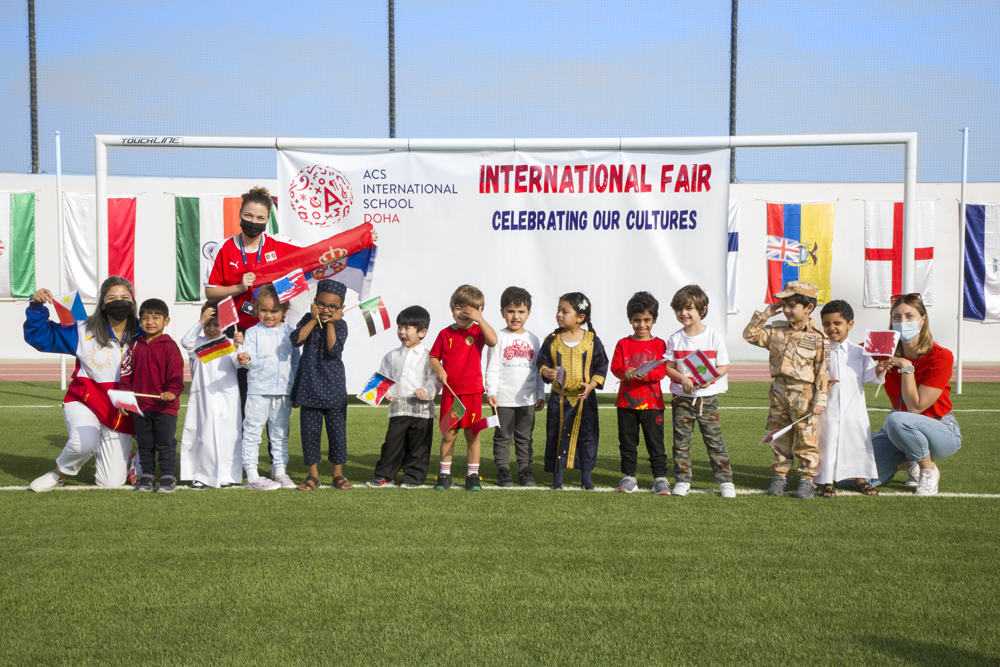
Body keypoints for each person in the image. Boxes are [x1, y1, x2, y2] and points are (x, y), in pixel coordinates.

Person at [24, 276, 141, 491]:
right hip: (85, 400)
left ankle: (136, 458)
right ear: (103, 304)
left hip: (120, 410)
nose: (119, 301)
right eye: (112, 297)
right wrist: (36, 306)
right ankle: (58, 474)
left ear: (133, 302)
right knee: (84, 443)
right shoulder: (83, 329)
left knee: (110, 483)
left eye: (125, 297)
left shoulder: (143, 333)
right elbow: (41, 338)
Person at [743, 281, 828, 500]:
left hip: (804, 393)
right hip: (779, 390)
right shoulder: (776, 330)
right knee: (778, 434)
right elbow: (750, 335)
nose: (787, 310)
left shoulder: (818, 337)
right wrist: (765, 314)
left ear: (808, 308)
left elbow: (822, 371)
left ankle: (807, 480)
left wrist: (820, 399)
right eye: (785, 305)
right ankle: (780, 476)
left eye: (792, 305)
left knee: (806, 437)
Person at [869, 294, 960, 496]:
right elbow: (841, 347)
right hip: (897, 433)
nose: (902, 322)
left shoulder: (940, 355)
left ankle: (928, 468)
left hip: (938, 429)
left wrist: (906, 366)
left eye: (909, 316)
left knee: (897, 419)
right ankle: (909, 464)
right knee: (854, 478)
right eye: (897, 317)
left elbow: (915, 408)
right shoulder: (884, 349)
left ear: (923, 320)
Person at [664, 285, 735, 498]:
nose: (683, 313)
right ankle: (683, 480)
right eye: (678, 309)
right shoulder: (675, 338)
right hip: (681, 399)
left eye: (689, 308)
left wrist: (709, 380)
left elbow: (723, 366)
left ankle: (725, 482)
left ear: (702, 310)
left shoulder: (713, 336)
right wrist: (683, 378)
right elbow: (668, 367)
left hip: (707, 400)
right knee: (681, 443)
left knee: (715, 442)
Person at [428, 285, 498, 491]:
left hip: (473, 393)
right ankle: (444, 474)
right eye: (459, 308)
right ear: (452, 308)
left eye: (469, 310)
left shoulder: (478, 330)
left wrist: (480, 319)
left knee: (472, 434)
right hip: (451, 394)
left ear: (479, 310)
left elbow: (493, 341)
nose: (463, 313)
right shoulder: (444, 333)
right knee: (449, 434)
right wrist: (439, 369)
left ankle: (473, 475)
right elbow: (433, 357)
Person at [536, 292, 609, 490]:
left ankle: (586, 478)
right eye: (558, 310)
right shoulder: (552, 340)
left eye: (564, 311)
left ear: (580, 317)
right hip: (558, 401)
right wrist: (547, 372)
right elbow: (541, 362)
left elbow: (601, 366)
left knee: (587, 437)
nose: (559, 314)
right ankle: (557, 478)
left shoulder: (593, 340)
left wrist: (592, 385)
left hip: (585, 400)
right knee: (556, 435)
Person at [366, 305, 439, 488]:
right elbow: (384, 379)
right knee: (392, 443)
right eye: (400, 327)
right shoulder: (391, 356)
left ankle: (412, 477)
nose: (402, 332)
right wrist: (388, 393)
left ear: (422, 332)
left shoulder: (430, 356)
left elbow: (434, 379)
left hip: (421, 409)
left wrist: (426, 390)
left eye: (408, 328)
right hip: (399, 408)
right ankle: (385, 475)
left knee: (419, 445)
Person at [237, 284, 300, 490]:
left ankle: (279, 470)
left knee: (280, 433)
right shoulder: (253, 332)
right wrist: (246, 359)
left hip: (283, 392)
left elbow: (296, 363)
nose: (269, 315)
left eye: (274, 311)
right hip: (258, 391)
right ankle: (252, 474)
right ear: (256, 310)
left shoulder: (291, 333)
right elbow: (251, 362)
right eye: (263, 310)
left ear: (284, 311)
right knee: (252, 431)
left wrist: (295, 389)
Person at [118, 299, 186, 493]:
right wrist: (124, 396)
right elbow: (126, 374)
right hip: (141, 406)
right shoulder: (134, 346)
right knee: (145, 444)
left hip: (165, 408)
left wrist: (171, 392)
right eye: (145, 318)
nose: (150, 322)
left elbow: (176, 376)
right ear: (140, 321)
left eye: (156, 318)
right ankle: (146, 475)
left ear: (166, 321)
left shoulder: (170, 346)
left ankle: (166, 476)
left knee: (165, 443)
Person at [816, 300, 881, 498]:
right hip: (828, 407)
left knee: (857, 441)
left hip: (854, 409)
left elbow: (869, 376)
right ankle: (825, 481)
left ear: (850, 324)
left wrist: (880, 368)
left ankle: (860, 479)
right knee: (826, 442)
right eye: (827, 324)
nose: (831, 328)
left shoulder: (860, 352)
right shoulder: (820, 351)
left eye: (837, 323)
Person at [290, 280, 351, 491]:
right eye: (321, 304)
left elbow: (333, 350)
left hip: (334, 388)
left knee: (337, 433)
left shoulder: (341, 325)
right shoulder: (308, 319)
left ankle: (338, 474)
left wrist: (331, 323)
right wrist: (314, 320)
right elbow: (296, 340)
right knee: (310, 433)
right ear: (314, 303)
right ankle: (312, 475)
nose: (326, 310)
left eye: (332, 307)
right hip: (309, 385)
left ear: (340, 309)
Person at [179, 300, 244, 489]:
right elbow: (185, 341)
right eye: (208, 324)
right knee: (202, 435)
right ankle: (199, 475)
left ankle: (227, 474)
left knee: (228, 436)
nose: (212, 329)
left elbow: (240, 362)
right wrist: (200, 322)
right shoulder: (197, 344)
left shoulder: (229, 344)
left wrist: (240, 347)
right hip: (203, 397)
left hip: (227, 398)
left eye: (216, 324)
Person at [485, 286, 545, 488]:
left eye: (521, 311)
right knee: (502, 437)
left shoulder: (533, 339)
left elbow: (537, 370)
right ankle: (503, 470)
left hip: (527, 399)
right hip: (503, 398)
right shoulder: (498, 337)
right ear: (502, 312)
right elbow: (492, 367)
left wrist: (540, 394)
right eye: (510, 311)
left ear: (529, 313)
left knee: (525, 437)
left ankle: (524, 470)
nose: (515, 316)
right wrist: (491, 392)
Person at [610, 291, 670, 495]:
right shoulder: (623, 343)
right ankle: (629, 476)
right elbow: (615, 366)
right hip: (626, 403)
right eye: (636, 320)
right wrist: (624, 371)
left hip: (652, 404)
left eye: (647, 320)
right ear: (629, 320)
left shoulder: (660, 344)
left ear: (654, 320)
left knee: (656, 443)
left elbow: (662, 371)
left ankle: (660, 478)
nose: (641, 325)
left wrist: (643, 375)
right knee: (627, 442)